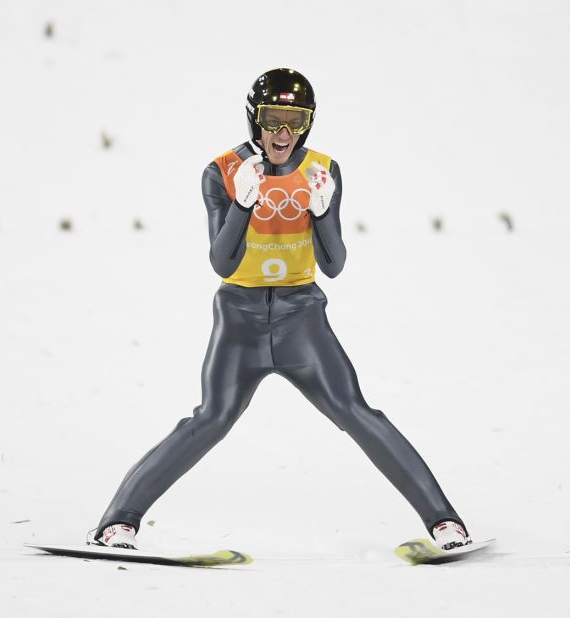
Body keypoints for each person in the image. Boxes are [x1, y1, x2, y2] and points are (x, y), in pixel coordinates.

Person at [87, 68, 471, 552]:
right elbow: (221, 262)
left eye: (295, 120)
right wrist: (242, 207)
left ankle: (445, 522)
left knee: (356, 411)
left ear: (307, 123)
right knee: (211, 418)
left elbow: (333, 266)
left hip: (301, 318)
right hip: (240, 318)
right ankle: (116, 522)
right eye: (273, 120)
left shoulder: (322, 170)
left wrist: (324, 212)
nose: (283, 134)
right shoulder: (222, 170)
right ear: (256, 119)